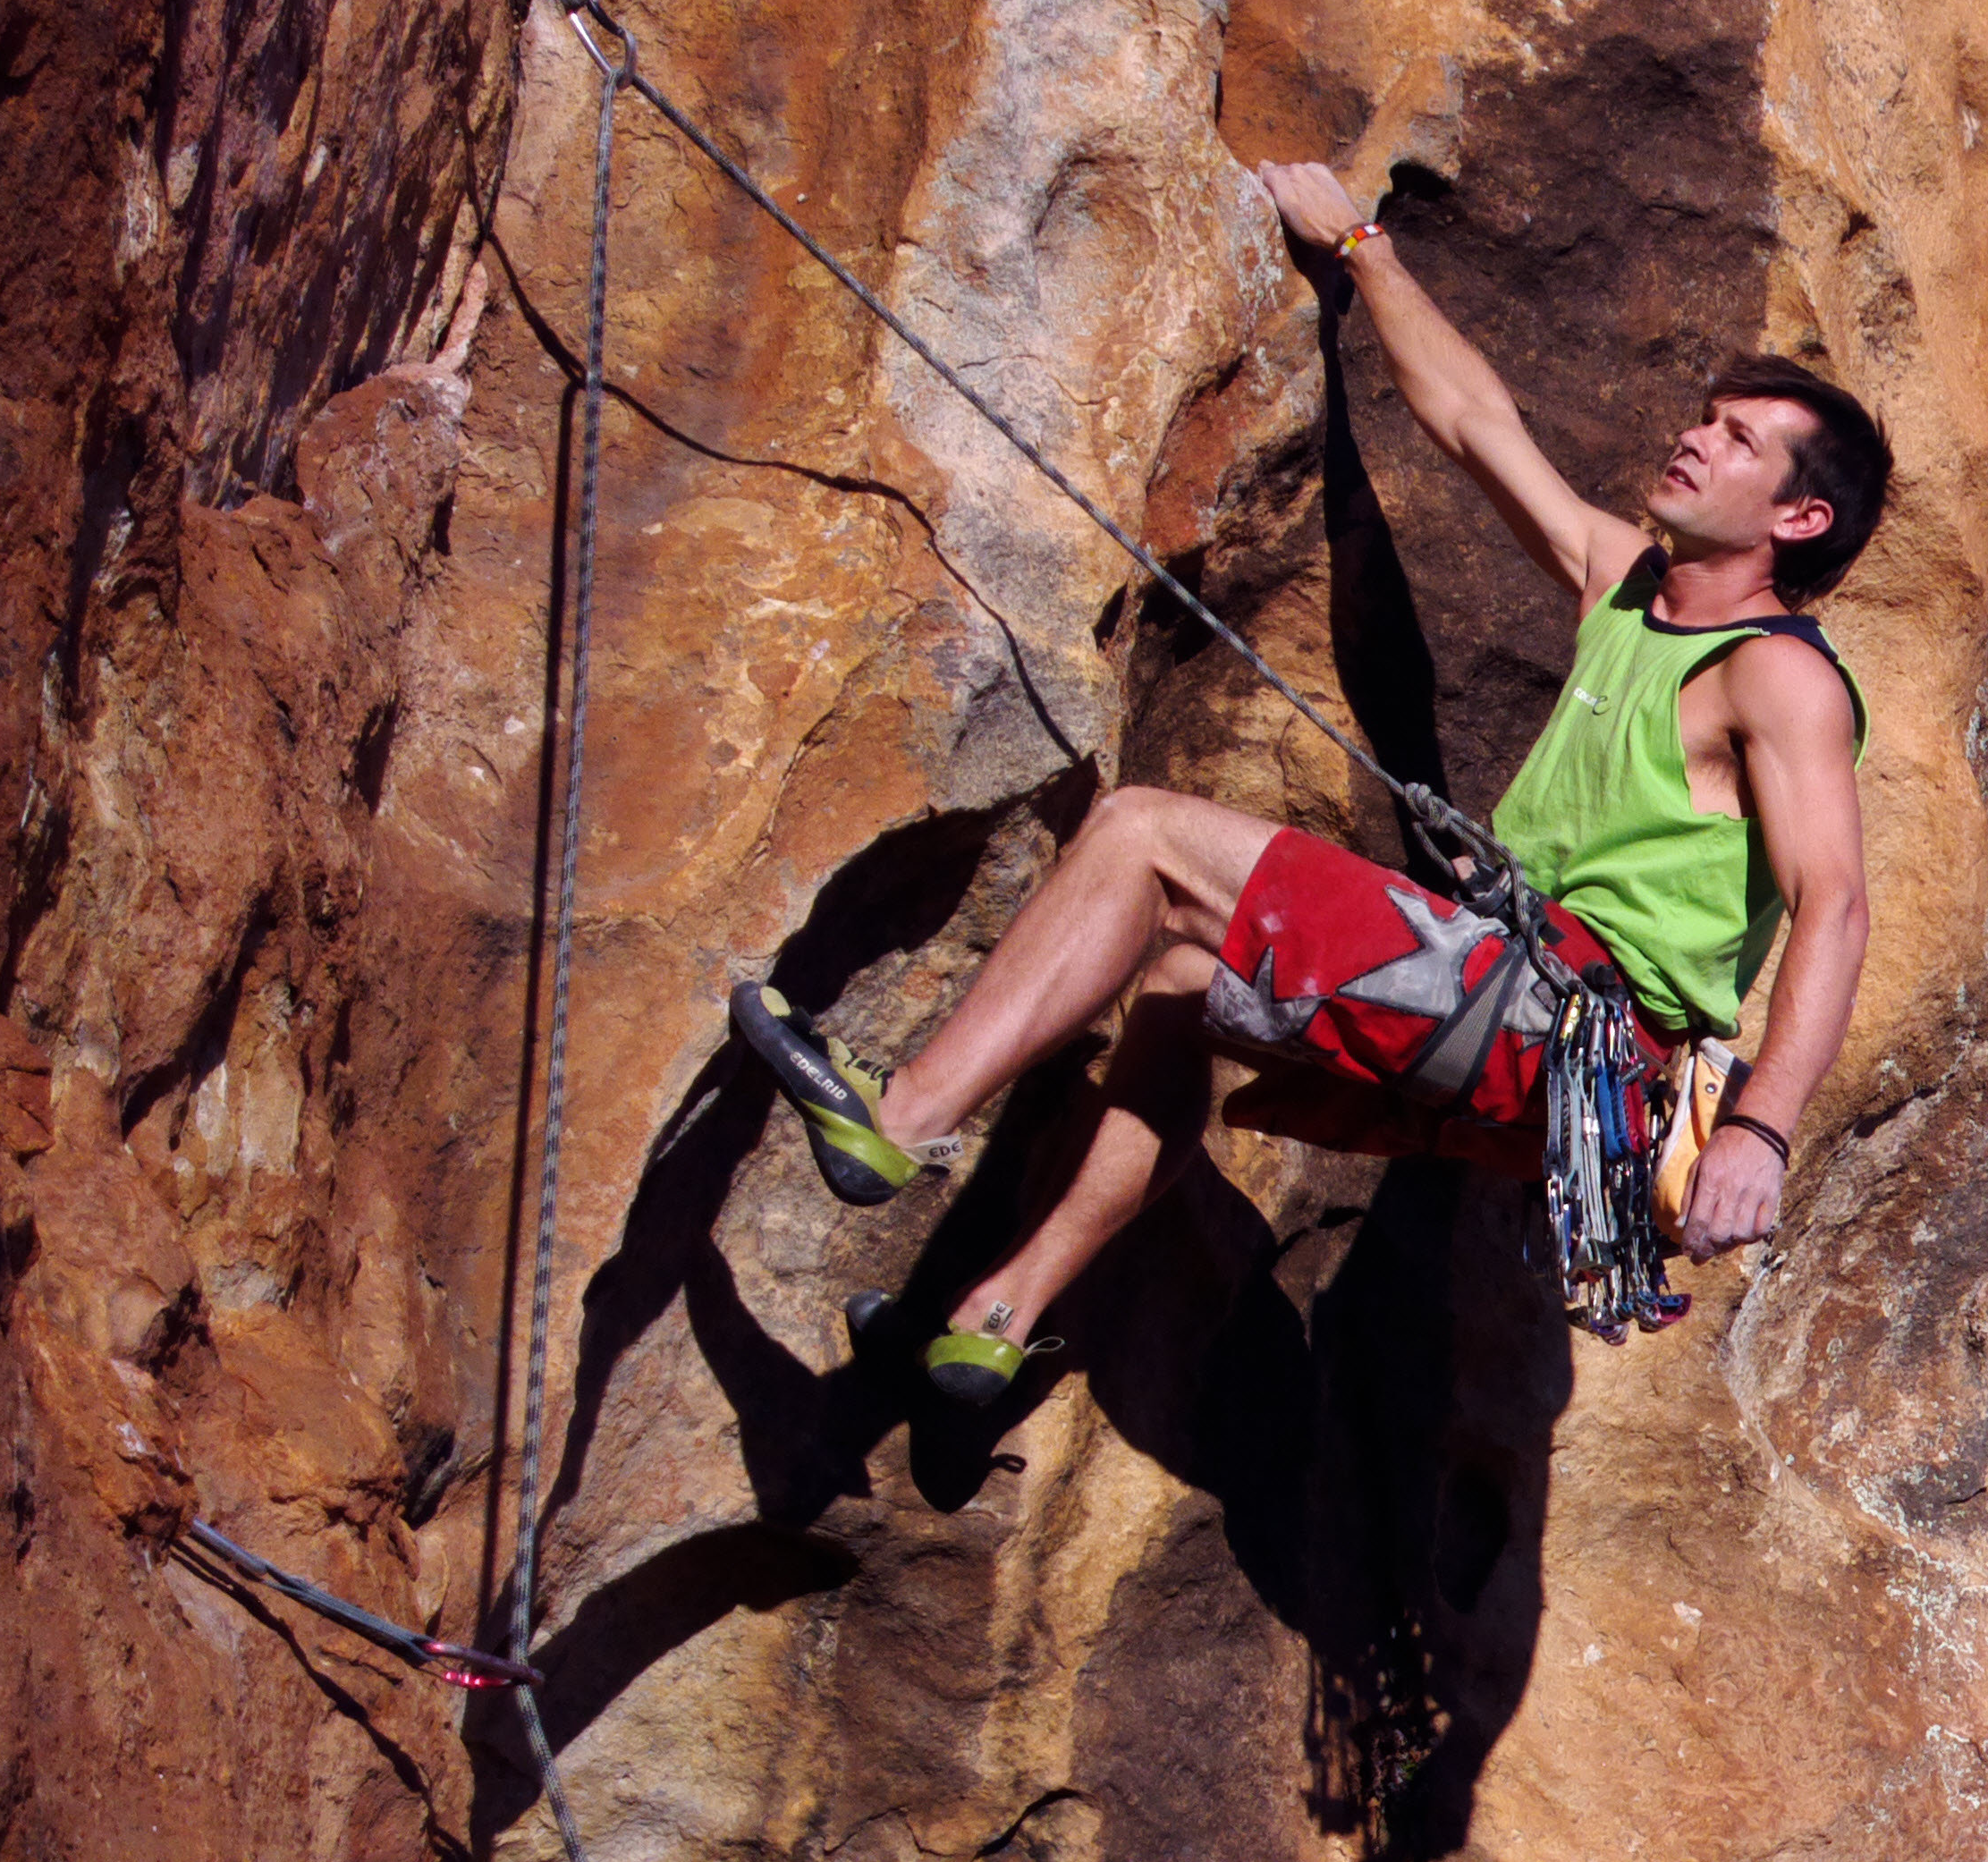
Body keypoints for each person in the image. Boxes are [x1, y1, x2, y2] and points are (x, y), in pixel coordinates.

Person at [731, 160, 1888, 1402]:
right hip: (1522, 1016)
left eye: (1738, 440)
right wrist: (1363, 247)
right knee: (1176, 979)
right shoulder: (1627, 590)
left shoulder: (1779, 679)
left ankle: (897, 1121)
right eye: (1707, 417)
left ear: (1799, 519)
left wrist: (1762, 1132)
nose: (1695, 438)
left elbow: (1837, 904)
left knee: (1138, 835)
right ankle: (996, 1317)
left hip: (1569, 1021)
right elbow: (1473, 423)